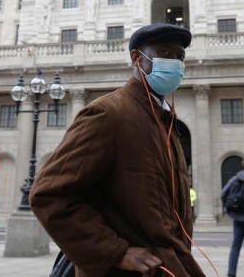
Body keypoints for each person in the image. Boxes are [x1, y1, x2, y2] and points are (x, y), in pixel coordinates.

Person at [31, 23, 204, 277]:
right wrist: (115, 251)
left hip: (170, 266)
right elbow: (49, 194)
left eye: (180, 57)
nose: (176, 63)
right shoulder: (108, 113)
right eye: (165, 53)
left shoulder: (164, 121)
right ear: (138, 59)